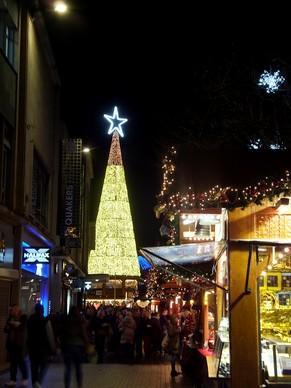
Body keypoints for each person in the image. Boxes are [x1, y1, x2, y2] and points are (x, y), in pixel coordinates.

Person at [27, 303, 56, 388]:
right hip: (43, 348)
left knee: (34, 366)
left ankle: (34, 382)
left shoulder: (30, 321)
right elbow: (50, 335)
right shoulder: (45, 321)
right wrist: (53, 348)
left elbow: (27, 334)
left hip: (32, 347)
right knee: (44, 364)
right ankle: (38, 381)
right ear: (42, 311)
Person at [60, 306, 89, 388]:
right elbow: (84, 334)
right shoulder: (80, 321)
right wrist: (87, 344)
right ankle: (79, 385)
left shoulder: (66, 321)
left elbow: (62, 334)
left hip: (68, 346)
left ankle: (67, 386)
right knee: (78, 368)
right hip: (78, 347)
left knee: (68, 368)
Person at [4, 305, 29, 387]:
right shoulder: (10, 318)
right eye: (12, 310)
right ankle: (13, 380)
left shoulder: (23, 318)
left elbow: (22, 327)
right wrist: (10, 325)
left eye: (14, 310)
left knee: (21, 362)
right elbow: (5, 329)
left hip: (20, 344)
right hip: (12, 344)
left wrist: (15, 325)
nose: (12, 311)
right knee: (13, 363)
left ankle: (25, 378)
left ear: (18, 310)